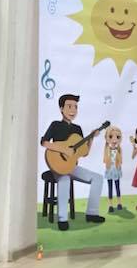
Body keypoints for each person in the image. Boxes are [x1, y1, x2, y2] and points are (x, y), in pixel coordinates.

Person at [40, 94, 106, 230]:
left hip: (71, 166)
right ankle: (62, 219)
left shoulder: (77, 129)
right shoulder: (55, 125)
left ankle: (92, 213)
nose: (73, 110)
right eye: (69, 106)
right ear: (61, 109)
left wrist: (91, 138)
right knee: (64, 180)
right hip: (57, 166)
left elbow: (84, 152)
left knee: (98, 178)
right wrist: (64, 149)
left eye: (75, 107)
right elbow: (44, 142)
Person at [102, 125, 124, 212]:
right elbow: (105, 160)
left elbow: (120, 160)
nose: (114, 140)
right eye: (111, 136)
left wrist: (117, 163)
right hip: (109, 171)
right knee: (110, 188)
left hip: (116, 170)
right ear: (107, 138)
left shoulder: (119, 149)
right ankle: (110, 205)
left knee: (117, 187)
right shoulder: (107, 150)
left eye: (117, 137)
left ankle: (119, 203)